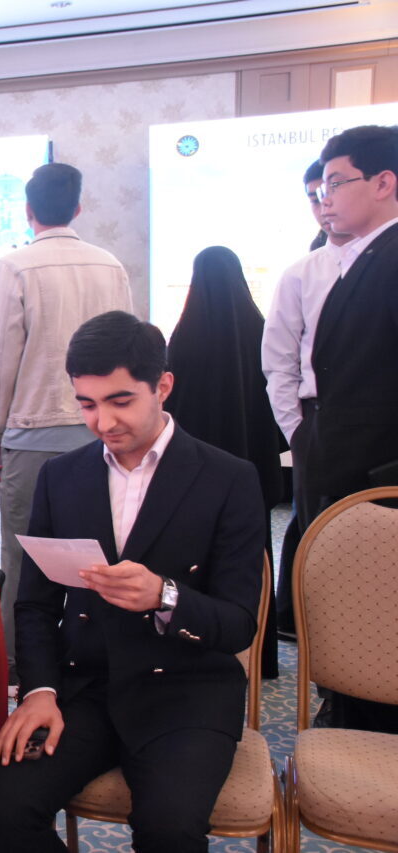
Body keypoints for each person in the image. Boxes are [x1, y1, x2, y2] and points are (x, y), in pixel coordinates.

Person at [0, 310, 264, 853]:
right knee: (4, 808)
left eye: (120, 401)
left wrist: (165, 596)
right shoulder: (61, 477)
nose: (103, 422)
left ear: (163, 386)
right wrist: (39, 691)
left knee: (169, 829)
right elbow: (35, 605)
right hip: (87, 688)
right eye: (87, 404)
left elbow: (238, 625)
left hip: (187, 691)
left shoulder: (228, 479)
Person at [0, 162, 132, 686]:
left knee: (23, 556)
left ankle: (20, 671)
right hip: (105, 432)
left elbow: (2, 359)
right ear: (78, 207)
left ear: (28, 210)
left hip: (33, 430)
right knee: (105, 553)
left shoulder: (14, 266)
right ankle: (101, 663)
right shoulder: (110, 265)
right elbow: (129, 351)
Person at [300, 124, 398, 733]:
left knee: (377, 615)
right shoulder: (363, 257)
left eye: (337, 182)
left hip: (380, 478)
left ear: (384, 183)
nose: (326, 196)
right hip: (350, 468)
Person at [165, 245, 283, 676]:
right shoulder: (261, 330)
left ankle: (200, 643)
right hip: (251, 467)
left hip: (196, 474)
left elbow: (171, 410)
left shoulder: (185, 336)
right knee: (252, 559)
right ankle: (262, 657)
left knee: (195, 555)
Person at [261, 159, 354, 640]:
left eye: (332, 190)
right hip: (318, 424)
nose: (324, 205)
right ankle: (326, 661)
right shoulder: (302, 273)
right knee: (322, 543)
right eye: (315, 196)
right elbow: (278, 363)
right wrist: (298, 432)